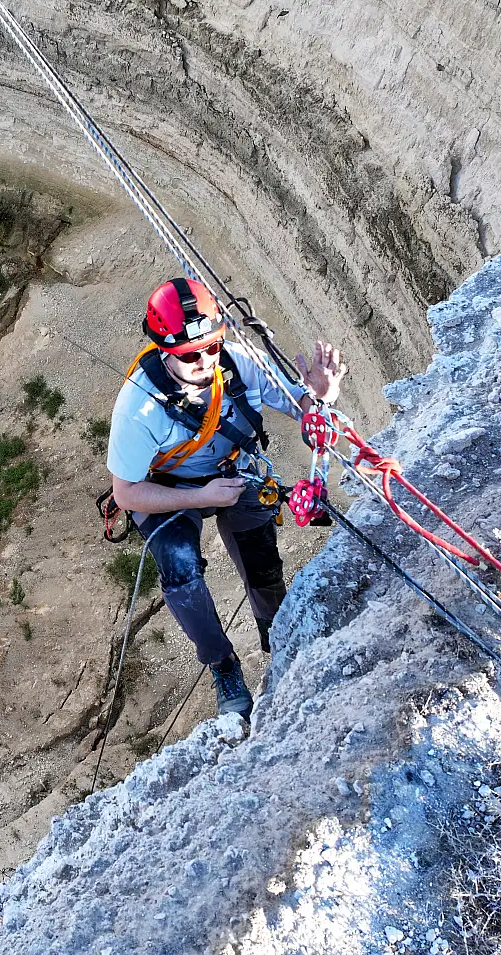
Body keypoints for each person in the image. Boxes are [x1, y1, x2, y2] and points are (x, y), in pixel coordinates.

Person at [106, 278, 347, 720]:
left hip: (232, 475)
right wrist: (199, 497)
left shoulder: (237, 363)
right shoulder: (138, 410)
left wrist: (320, 398)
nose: (204, 361)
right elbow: (126, 493)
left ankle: (280, 638)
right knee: (180, 570)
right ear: (164, 352)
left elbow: (301, 407)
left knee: (263, 565)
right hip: (170, 489)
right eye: (190, 355)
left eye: (212, 348)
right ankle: (222, 664)